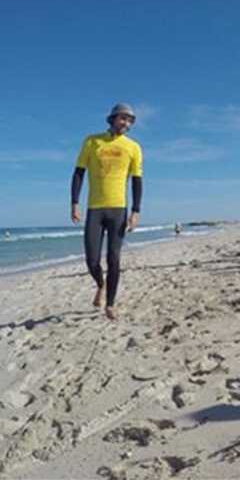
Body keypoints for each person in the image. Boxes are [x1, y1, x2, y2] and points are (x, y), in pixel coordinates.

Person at [71, 103, 143, 321]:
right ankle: (100, 285)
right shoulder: (92, 141)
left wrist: (135, 211)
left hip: (118, 210)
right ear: (112, 118)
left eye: (130, 120)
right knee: (92, 260)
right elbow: (78, 173)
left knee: (114, 259)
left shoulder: (133, 147)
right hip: (95, 209)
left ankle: (110, 304)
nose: (126, 123)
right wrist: (74, 203)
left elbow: (137, 182)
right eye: (123, 118)